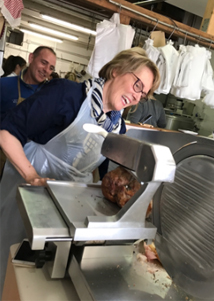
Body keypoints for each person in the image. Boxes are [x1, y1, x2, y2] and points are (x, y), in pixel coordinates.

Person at [0, 47, 160, 293]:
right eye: (137, 85)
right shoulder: (67, 94)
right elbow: (7, 131)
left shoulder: (116, 127)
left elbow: (105, 176)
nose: (138, 97)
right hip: (27, 190)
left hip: (65, 208)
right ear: (116, 71)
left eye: (145, 93)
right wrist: (31, 175)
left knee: (39, 282)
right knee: (9, 260)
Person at [0, 46, 57, 119]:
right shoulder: (4, 84)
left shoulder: (49, 94)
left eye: (51, 68)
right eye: (44, 63)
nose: (46, 70)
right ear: (31, 58)